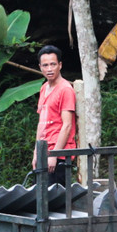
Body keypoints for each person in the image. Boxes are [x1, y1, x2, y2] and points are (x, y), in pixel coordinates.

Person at [34, 45, 77, 186]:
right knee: (41, 197)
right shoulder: (43, 88)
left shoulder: (65, 89)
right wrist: (36, 152)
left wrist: (55, 155)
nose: (49, 69)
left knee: (57, 200)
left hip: (60, 153)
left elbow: (67, 125)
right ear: (40, 67)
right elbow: (41, 123)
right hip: (44, 150)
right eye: (45, 65)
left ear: (60, 65)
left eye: (53, 64)